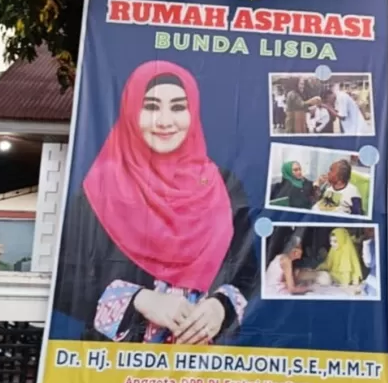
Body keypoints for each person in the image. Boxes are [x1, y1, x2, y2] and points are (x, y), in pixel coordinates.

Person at [53, 60, 257, 345]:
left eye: (177, 107)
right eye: (150, 107)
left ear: (193, 112)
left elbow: (247, 271)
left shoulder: (224, 185)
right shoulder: (101, 187)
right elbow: (66, 280)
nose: (164, 121)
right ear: (130, 111)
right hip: (115, 373)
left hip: (206, 372)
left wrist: (221, 305)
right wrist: (139, 299)